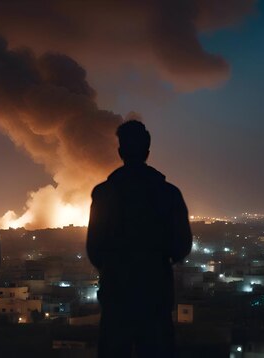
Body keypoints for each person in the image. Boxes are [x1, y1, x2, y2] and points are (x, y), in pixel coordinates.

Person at [87, 120, 192, 357]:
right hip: (155, 292)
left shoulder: (104, 193)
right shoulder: (168, 193)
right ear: (147, 152)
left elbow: (93, 248)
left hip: (116, 293)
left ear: (120, 151)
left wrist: (114, 266)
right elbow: (182, 245)